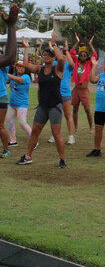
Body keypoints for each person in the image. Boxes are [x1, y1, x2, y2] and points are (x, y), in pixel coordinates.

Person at [17, 33, 66, 167]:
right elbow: (26, 64)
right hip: (43, 106)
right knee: (35, 131)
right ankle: (28, 156)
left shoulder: (58, 69)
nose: (45, 56)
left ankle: (62, 159)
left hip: (55, 105)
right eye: (44, 55)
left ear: (53, 57)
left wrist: (54, 44)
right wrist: (26, 47)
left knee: (56, 133)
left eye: (48, 55)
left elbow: (62, 60)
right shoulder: (40, 69)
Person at [47, 41, 76, 145]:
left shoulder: (68, 66)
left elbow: (72, 63)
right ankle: (54, 135)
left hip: (65, 94)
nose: (62, 56)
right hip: (54, 93)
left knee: (68, 115)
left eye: (64, 55)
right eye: (61, 55)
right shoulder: (54, 64)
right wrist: (52, 47)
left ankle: (71, 137)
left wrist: (66, 51)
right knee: (54, 116)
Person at [0, 3, 19, 157]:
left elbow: (10, 58)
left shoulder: (1, 59)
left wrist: (11, 27)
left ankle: (6, 150)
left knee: (0, 125)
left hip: (0, 96)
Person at [70, 34, 97, 133]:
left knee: (87, 109)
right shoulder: (76, 62)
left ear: (87, 56)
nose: (83, 56)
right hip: (76, 90)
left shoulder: (89, 64)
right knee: (75, 109)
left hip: (84, 90)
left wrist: (90, 45)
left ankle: (91, 127)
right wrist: (77, 42)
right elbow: (72, 52)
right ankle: (75, 127)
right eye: (81, 55)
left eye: (85, 55)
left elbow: (95, 55)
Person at [6, 61, 32, 147]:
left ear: (25, 68)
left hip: (22, 104)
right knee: (9, 121)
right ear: (16, 67)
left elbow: (19, 80)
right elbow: (6, 81)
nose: (20, 68)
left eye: (22, 67)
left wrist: (6, 74)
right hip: (12, 104)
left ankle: (33, 140)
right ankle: (13, 141)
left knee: (22, 123)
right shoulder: (13, 75)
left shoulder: (26, 77)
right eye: (18, 66)